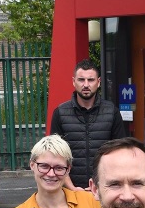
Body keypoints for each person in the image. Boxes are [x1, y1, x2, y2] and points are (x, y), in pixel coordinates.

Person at [49, 59, 129, 190]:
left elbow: (120, 153)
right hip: (69, 190)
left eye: (90, 80)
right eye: (81, 80)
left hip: (104, 189)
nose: (86, 85)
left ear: (98, 82)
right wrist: (72, 188)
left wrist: (102, 186)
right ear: (73, 81)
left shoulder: (111, 112)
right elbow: (55, 156)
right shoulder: (60, 113)